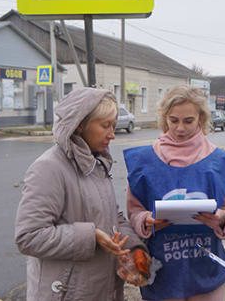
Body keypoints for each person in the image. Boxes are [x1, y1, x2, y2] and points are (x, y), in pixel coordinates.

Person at [15, 88, 149, 301]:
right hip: (65, 293)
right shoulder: (49, 168)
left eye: (113, 126)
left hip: (100, 289)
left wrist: (133, 248)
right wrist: (91, 236)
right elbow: (29, 237)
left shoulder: (96, 162)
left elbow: (113, 216)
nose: (112, 134)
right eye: (105, 126)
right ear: (79, 124)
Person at [124, 85, 225, 301]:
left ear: (201, 118)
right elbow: (134, 213)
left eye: (188, 121)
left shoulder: (220, 163)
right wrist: (146, 221)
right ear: (164, 118)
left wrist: (222, 218)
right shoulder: (143, 162)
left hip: (206, 272)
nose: (180, 128)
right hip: (162, 273)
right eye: (173, 120)